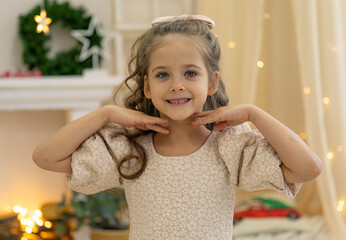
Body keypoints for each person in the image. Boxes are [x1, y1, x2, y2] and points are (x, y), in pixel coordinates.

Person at [33, 14, 322, 239]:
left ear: (212, 82)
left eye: (190, 73)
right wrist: (105, 114)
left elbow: (309, 169)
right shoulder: (131, 148)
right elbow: (45, 157)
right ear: (147, 86)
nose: (177, 85)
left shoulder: (228, 145)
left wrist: (254, 114)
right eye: (162, 74)